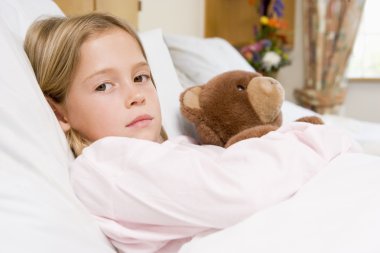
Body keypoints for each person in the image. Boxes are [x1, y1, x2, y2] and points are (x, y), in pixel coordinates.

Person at [24, 13, 361, 253]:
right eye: (104, 85)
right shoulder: (105, 166)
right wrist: (317, 139)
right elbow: (239, 189)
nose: (136, 95)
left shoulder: (173, 148)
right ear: (59, 113)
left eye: (141, 77)